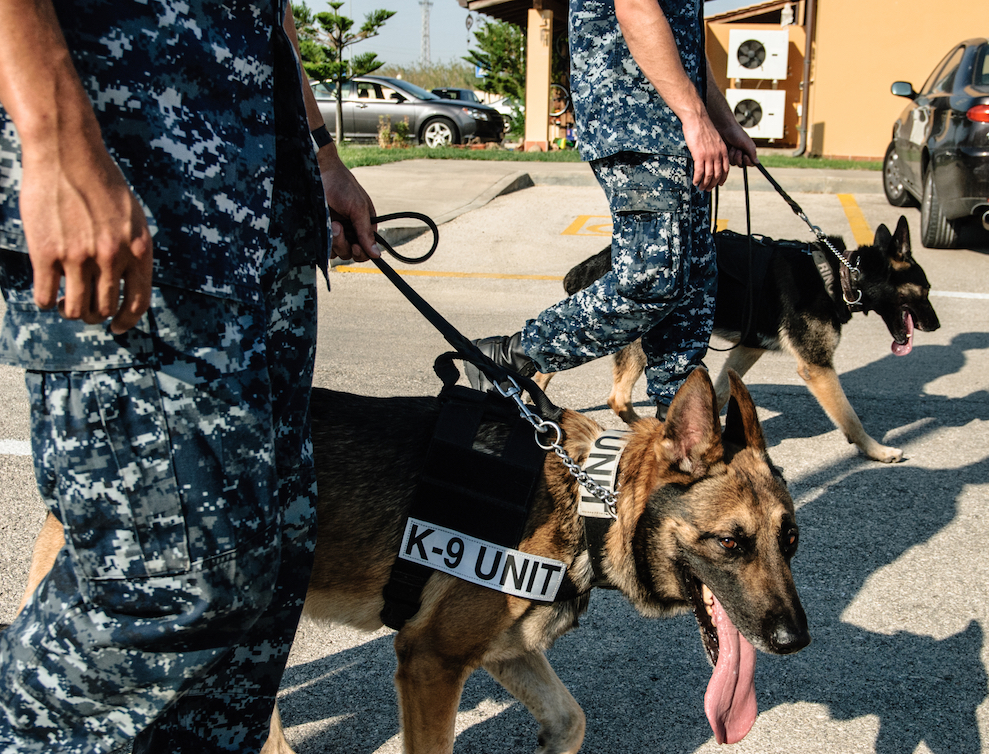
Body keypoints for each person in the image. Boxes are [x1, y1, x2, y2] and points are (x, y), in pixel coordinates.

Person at [0, 1, 378, 751]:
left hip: (261, 198)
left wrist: (320, 151)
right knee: (165, 581)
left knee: (265, 572)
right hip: (126, 175)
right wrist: (57, 140)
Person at [466, 0, 757, 417]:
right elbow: (636, 7)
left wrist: (721, 120)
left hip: (677, 130)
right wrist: (695, 118)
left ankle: (681, 430)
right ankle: (513, 355)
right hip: (641, 121)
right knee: (653, 279)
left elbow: (686, 41)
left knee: (692, 284)